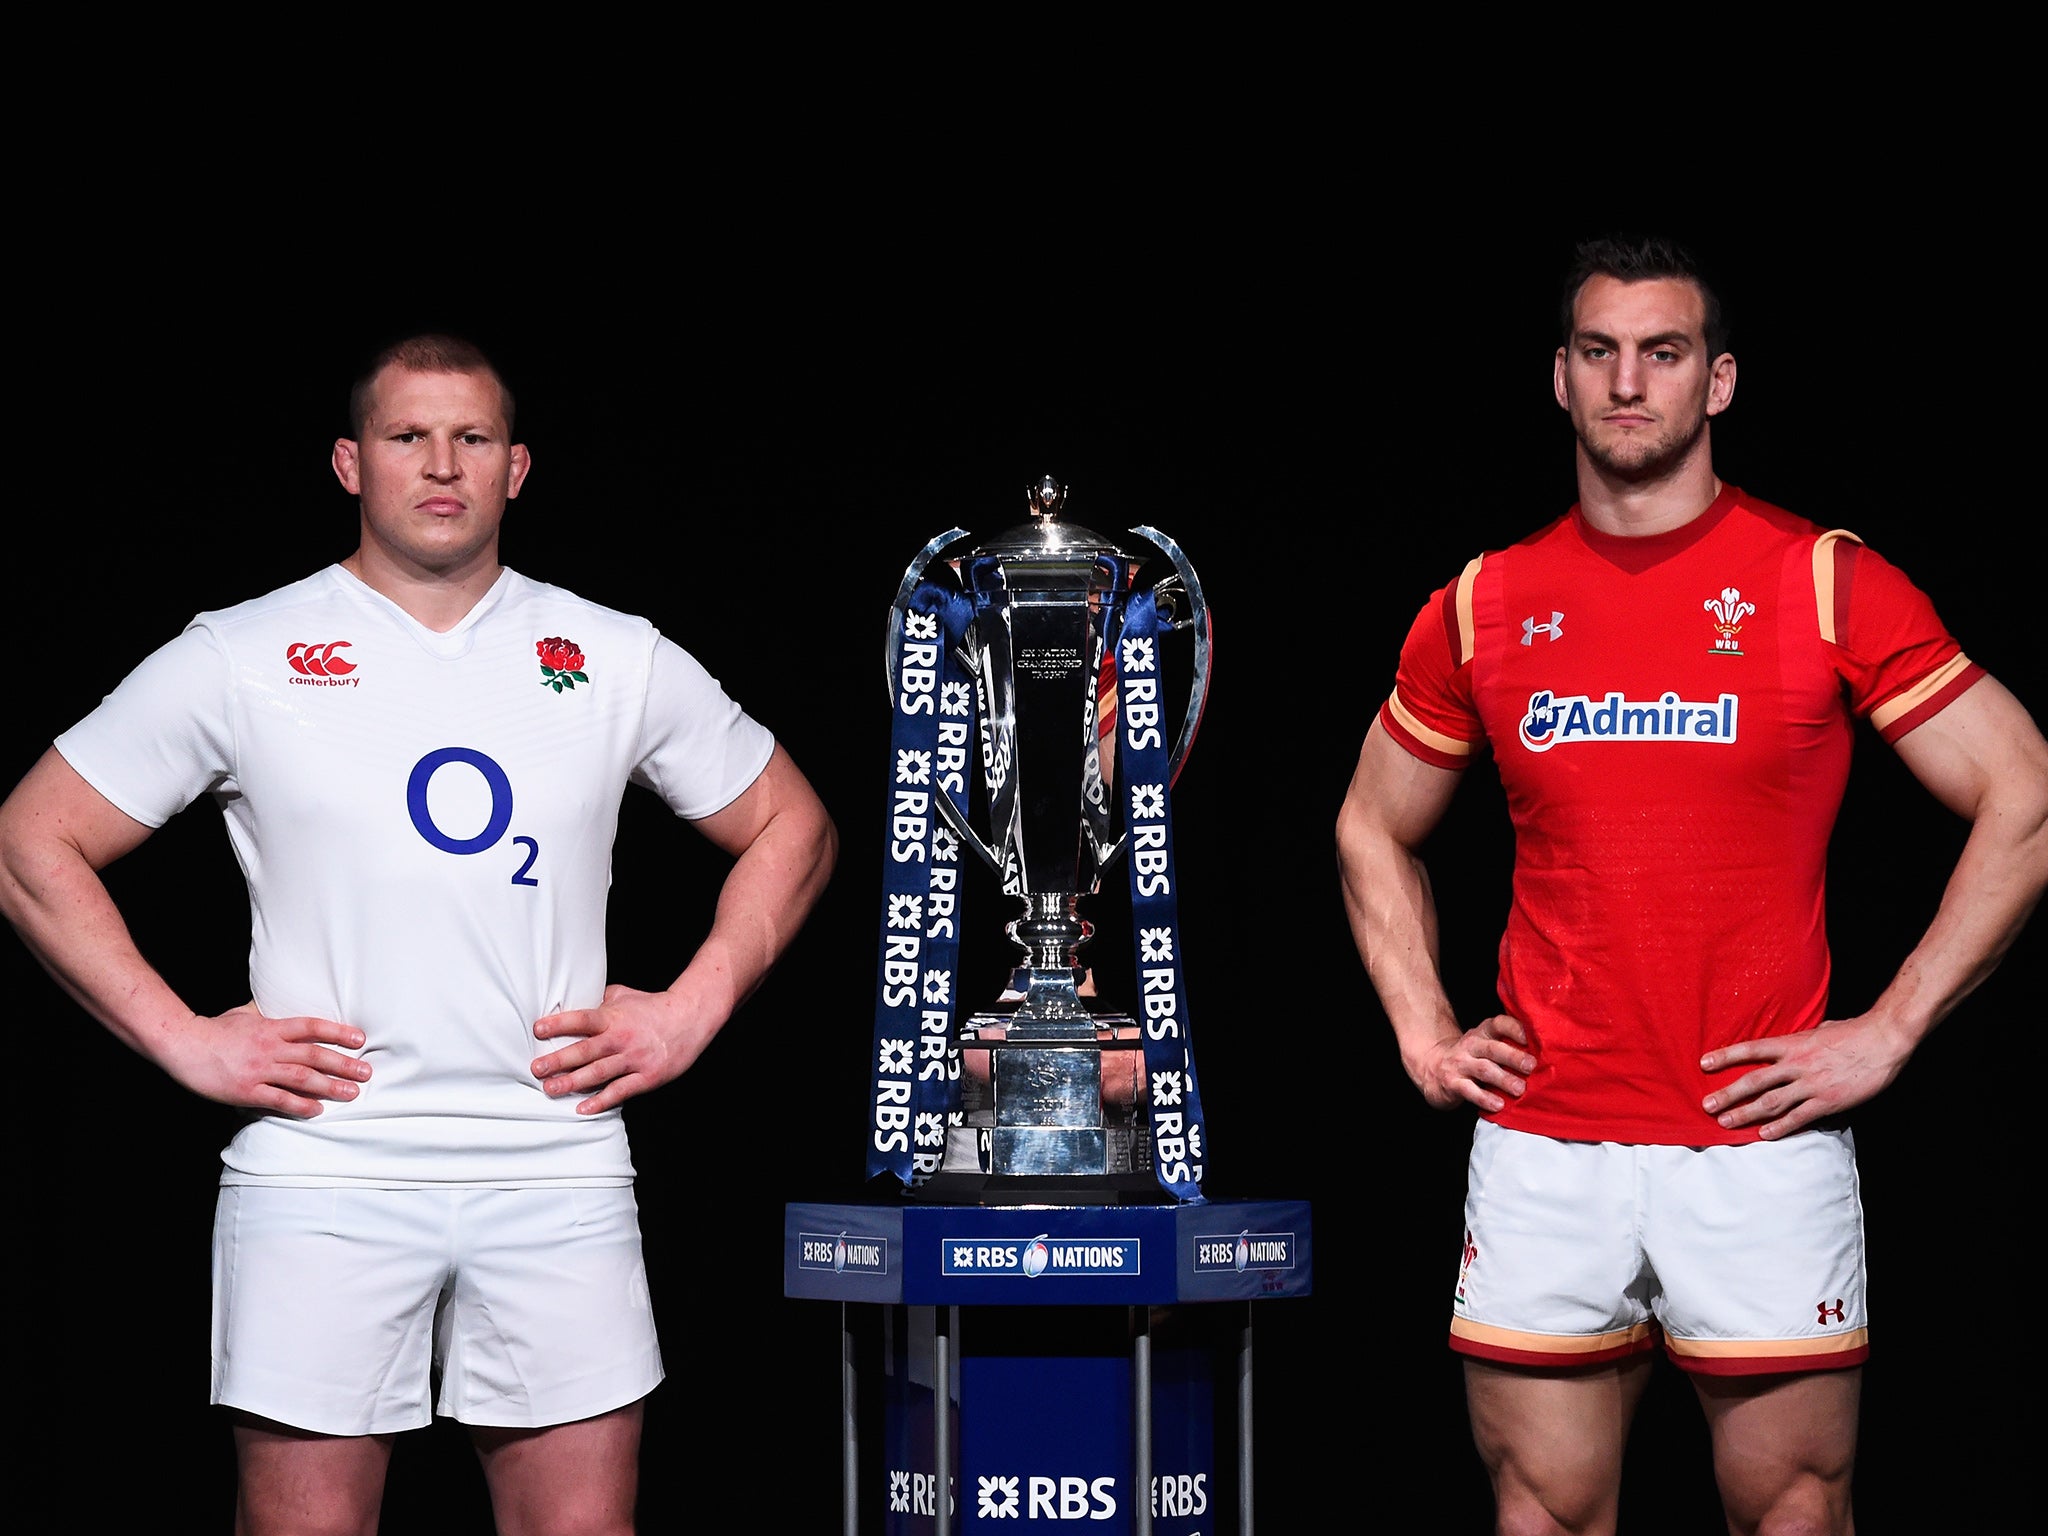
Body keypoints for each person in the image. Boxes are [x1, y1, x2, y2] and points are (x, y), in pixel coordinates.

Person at [0, 333, 839, 1535]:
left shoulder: (608, 653)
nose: (439, 464)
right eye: (406, 437)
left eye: (472, 438)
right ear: (350, 463)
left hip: (554, 1163)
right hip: (325, 1169)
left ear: (517, 469)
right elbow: (33, 839)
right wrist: (184, 1039)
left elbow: (791, 828)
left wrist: (693, 1004)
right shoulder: (242, 655)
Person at [1334, 235, 2048, 1535]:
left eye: (1662, 354)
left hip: (1759, 1147)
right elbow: (1370, 828)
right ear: (1558, 378)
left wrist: (1888, 1031)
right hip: (1548, 1142)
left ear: (1716, 382)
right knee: (1540, 1513)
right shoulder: (1487, 604)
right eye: (1599, 352)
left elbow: (2026, 792)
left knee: (1793, 1511)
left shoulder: (1821, 579)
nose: (1628, 383)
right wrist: (1423, 1030)